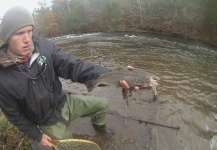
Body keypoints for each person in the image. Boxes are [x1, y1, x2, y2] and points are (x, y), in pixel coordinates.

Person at [0, 6, 139, 147]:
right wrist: (37, 135)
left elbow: (76, 66)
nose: (27, 39)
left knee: (102, 104)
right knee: (69, 146)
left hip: (63, 102)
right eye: (19, 33)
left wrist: (115, 74)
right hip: (45, 121)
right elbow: (14, 115)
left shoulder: (45, 48)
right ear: (7, 37)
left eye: (29, 31)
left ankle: (99, 130)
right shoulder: (3, 78)